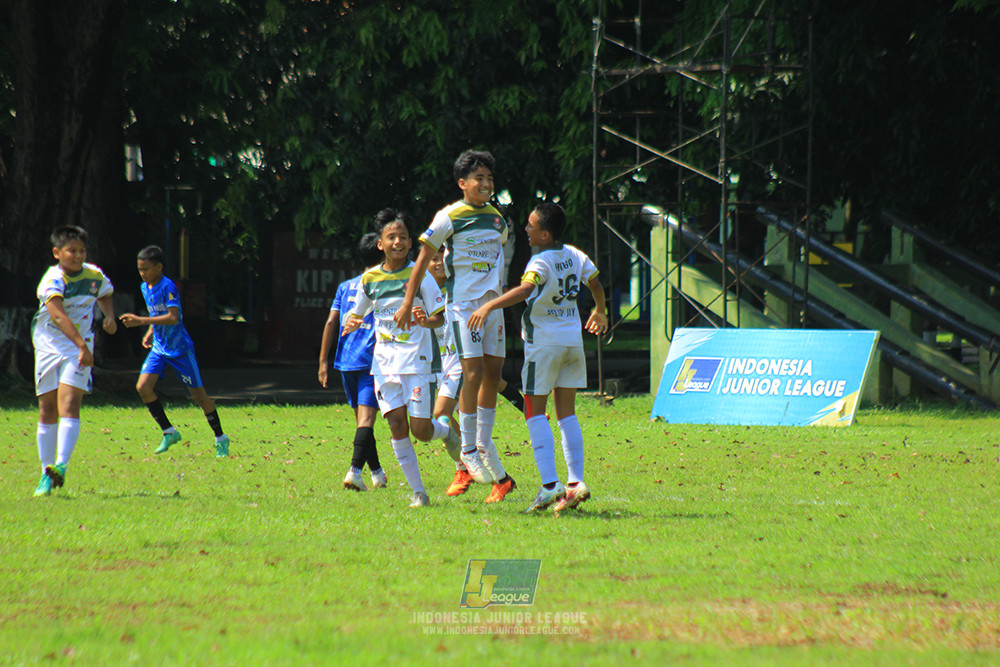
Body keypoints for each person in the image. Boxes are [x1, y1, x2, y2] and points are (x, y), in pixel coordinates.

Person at [393, 149, 517, 504]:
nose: (486, 184)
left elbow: (497, 259)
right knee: (472, 373)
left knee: (493, 373)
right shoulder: (449, 216)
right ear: (463, 183)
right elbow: (421, 261)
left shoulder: (497, 220)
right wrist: (408, 300)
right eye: (479, 178)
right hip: (463, 308)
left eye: (490, 179)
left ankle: (479, 445)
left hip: (492, 306)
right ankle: (468, 450)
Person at [469, 202, 608, 513]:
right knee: (567, 414)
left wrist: (488, 306)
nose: (526, 229)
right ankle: (576, 482)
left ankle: (549, 486)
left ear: (545, 234)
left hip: (543, 344)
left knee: (534, 410)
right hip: (572, 343)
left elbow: (525, 289)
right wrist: (600, 310)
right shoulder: (575, 254)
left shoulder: (540, 261)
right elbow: (595, 283)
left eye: (531, 226)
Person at [341, 209, 458, 508]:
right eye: (391, 237)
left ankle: (445, 430)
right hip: (383, 364)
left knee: (421, 431)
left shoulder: (420, 276)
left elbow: (439, 318)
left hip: (415, 361)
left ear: (410, 243)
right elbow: (358, 312)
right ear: (380, 243)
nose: (398, 242)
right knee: (395, 425)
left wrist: (424, 320)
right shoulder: (370, 278)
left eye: (403, 237)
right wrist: (352, 322)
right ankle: (419, 492)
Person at [426, 246, 522, 497]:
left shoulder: (461, 295)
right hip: (444, 367)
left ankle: (463, 468)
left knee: (440, 414)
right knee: (476, 432)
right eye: (432, 259)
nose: (438, 263)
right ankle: (502, 479)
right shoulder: (424, 294)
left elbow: (496, 378)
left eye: (441, 259)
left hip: (461, 363)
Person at [119, 245, 230, 457]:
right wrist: (151, 331)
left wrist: (142, 321)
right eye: (139, 269)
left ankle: (221, 438)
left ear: (159, 267)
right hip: (160, 348)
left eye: (146, 269)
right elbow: (156, 312)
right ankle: (169, 431)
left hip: (180, 350)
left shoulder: (168, 286)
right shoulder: (145, 287)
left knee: (199, 396)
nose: (142, 273)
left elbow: (173, 317)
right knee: (143, 387)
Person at [31, 225, 117, 496]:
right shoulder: (52, 279)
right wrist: (82, 345)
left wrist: (109, 316)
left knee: (69, 404)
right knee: (47, 409)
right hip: (49, 346)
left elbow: (104, 293)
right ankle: (46, 473)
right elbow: (57, 316)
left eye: (82, 250)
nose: (78, 256)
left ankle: (61, 467)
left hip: (79, 349)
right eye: (72, 251)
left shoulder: (94, 275)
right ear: (57, 253)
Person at [318, 232, 388, 492]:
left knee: (362, 421)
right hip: (372, 361)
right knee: (366, 420)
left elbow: (330, 322)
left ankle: (378, 473)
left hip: (345, 361)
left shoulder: (345, 286)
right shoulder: (383, 284)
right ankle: (354, 472)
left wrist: (323, 361)